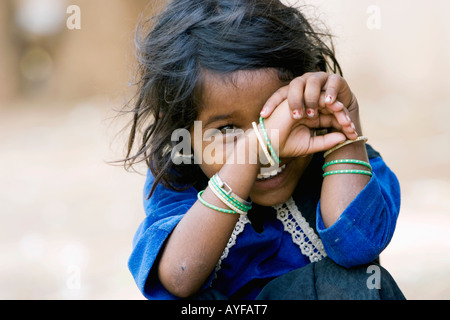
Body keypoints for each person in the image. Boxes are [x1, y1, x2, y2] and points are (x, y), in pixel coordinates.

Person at [123, 0, 405, 300]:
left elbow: (356, 249)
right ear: (183, 132)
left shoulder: (343, 158)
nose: (270, 148)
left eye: (279, 117)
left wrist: (343, 127)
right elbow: (179, 278)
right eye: (228, 130)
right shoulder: (178, 181)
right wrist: (253, 149)